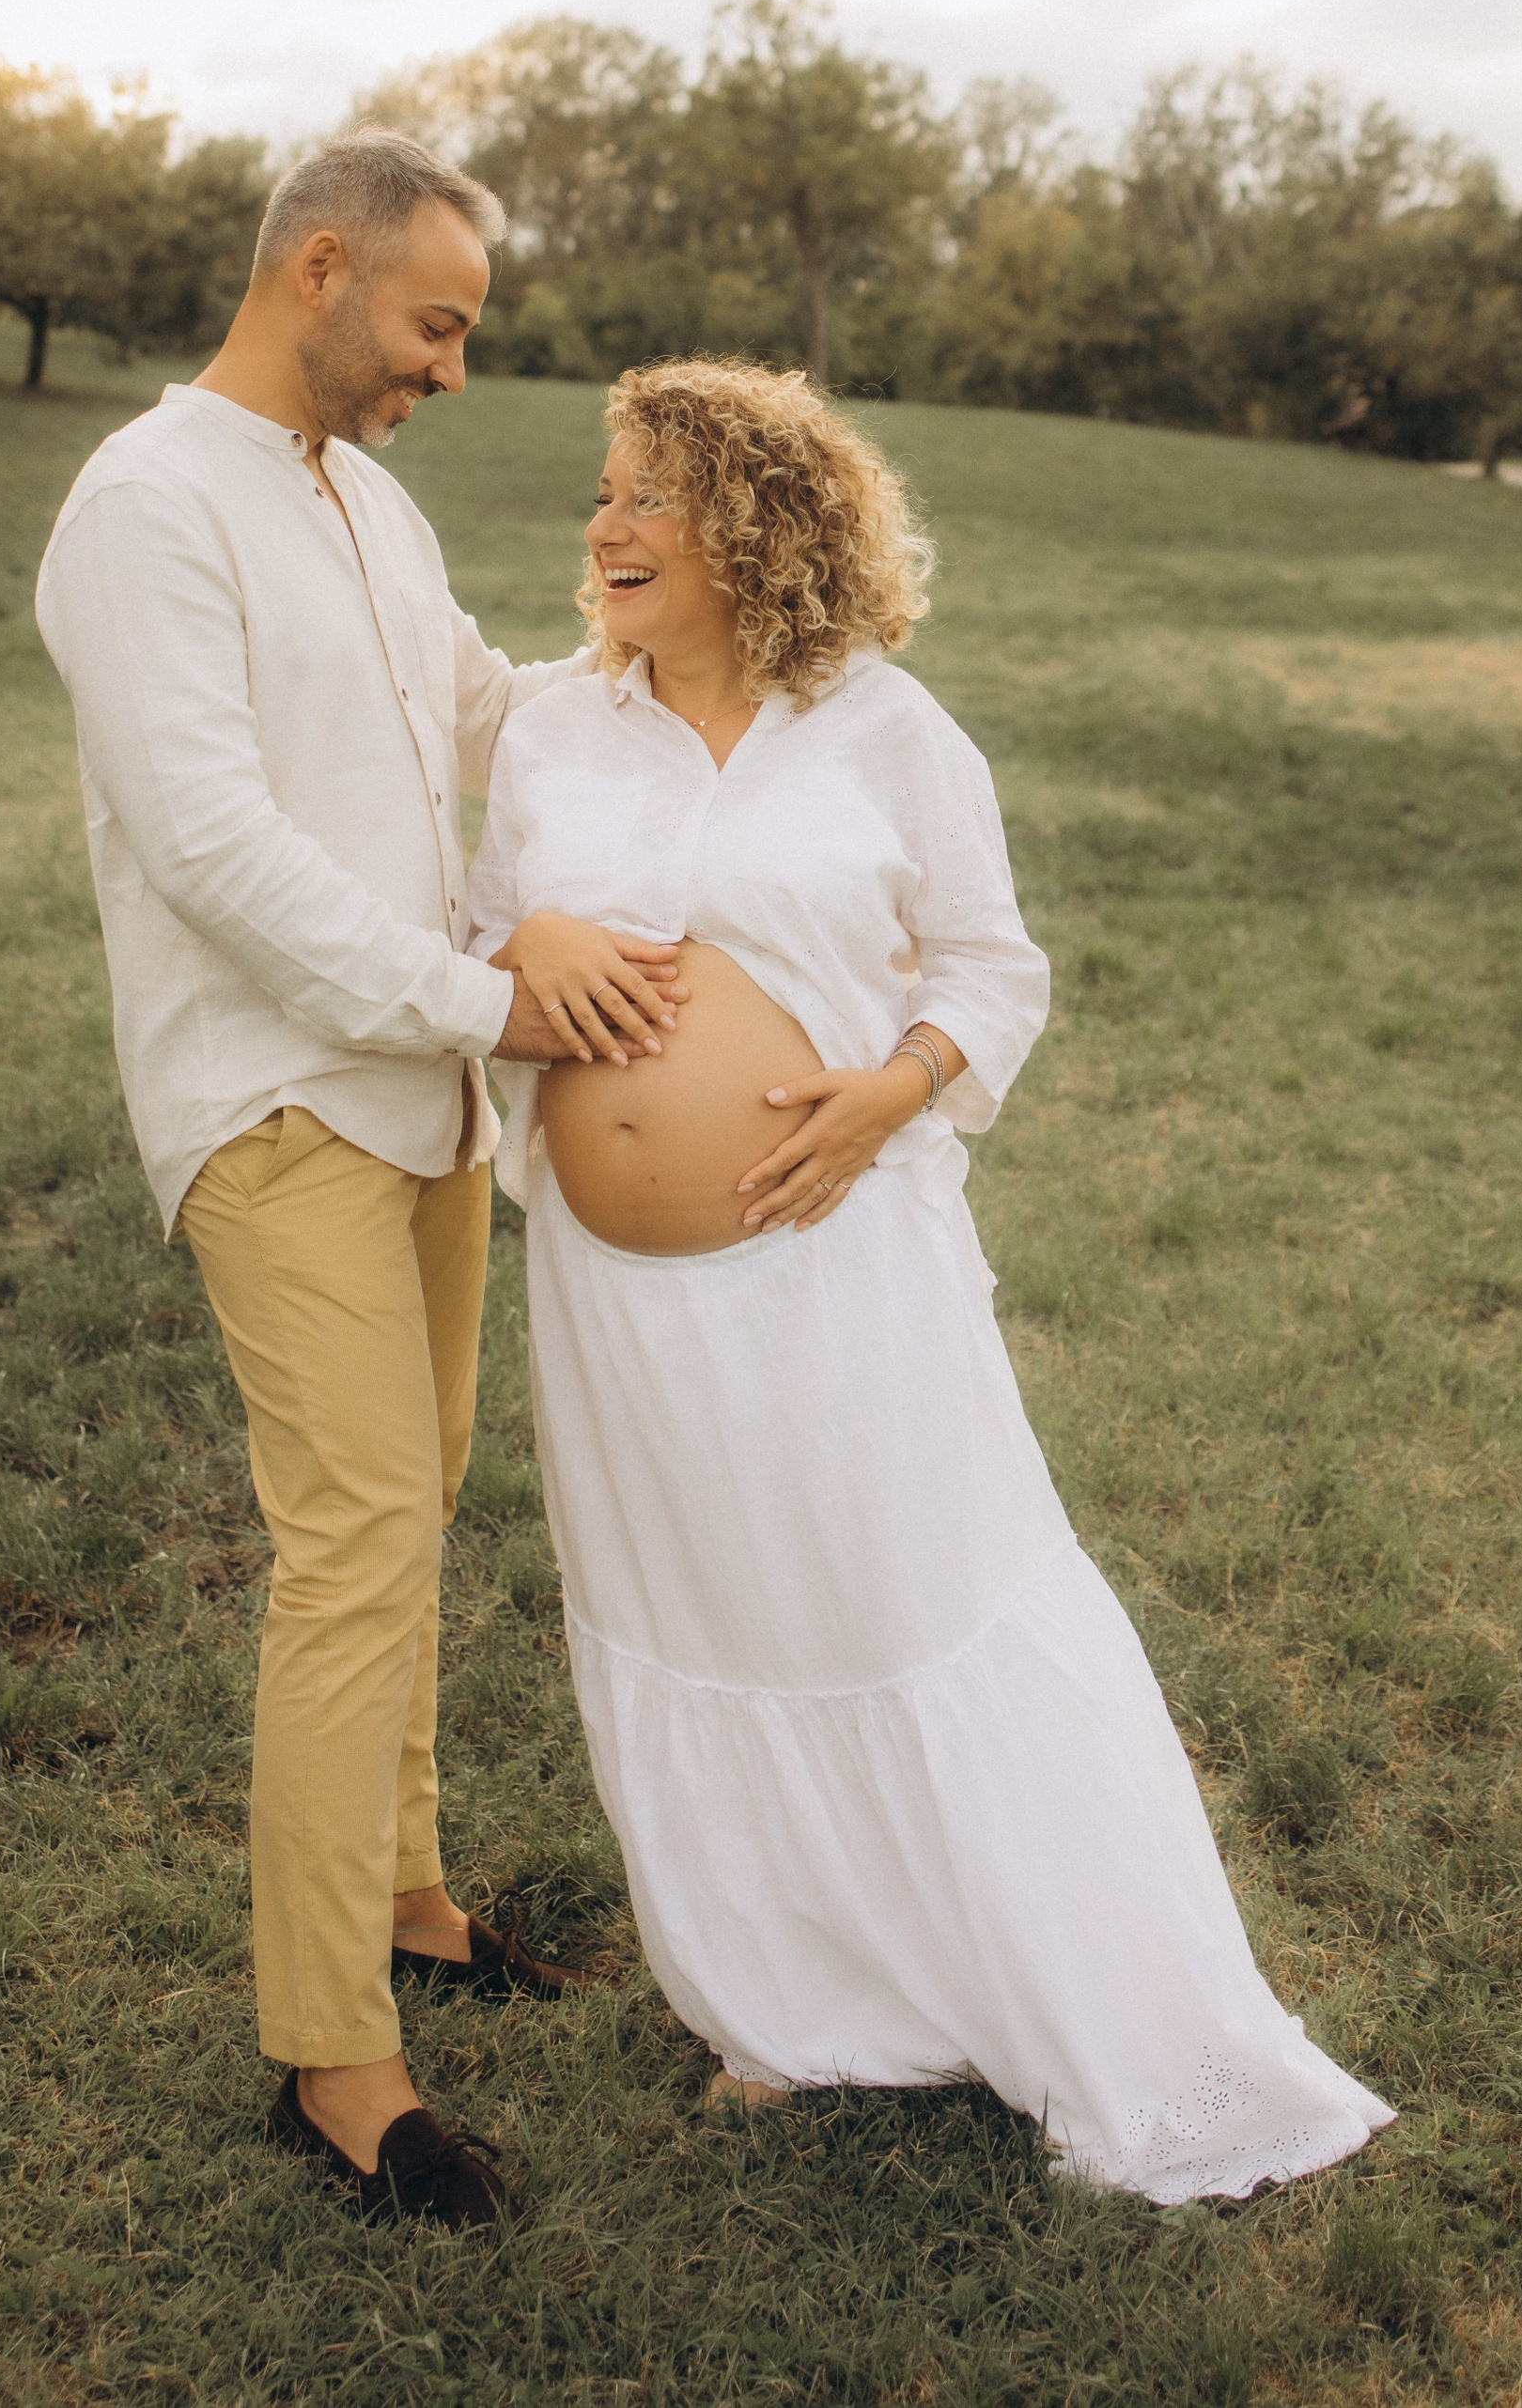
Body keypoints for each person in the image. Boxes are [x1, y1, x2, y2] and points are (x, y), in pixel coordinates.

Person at [469, 358, 1394, 2204]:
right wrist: (525, 933)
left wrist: (885, 1090)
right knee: (701, 1616)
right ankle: (788, 2005)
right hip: (614, 1297)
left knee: (896, 1602)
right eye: (602, 492)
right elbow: (483, 942)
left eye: (648, 492)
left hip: (836, 1259)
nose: (605, 526)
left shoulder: (885, 729)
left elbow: (988, 965)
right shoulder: (557, 729)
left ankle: (1049, 1986)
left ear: (754, 524)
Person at [35, 131, 682, 2232]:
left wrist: (677, 634)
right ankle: (333, 2050)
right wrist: (484, 994)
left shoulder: (372, 501)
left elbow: (475, 713)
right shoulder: (141, 508)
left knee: (417, 1501)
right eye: (436, 319)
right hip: (276, 1094)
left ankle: (404, 1887)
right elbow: (215, 849)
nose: (453, 364)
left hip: (421, 1090)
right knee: (352, 1547)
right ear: (316, 268)